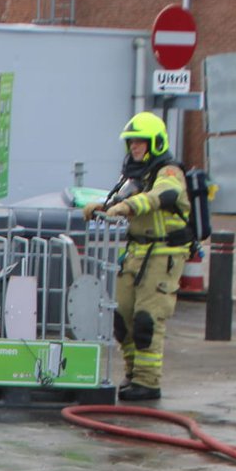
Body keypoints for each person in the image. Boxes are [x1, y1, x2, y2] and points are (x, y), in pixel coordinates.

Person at [82, 112, 191, 403]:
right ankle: (132, 373)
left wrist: (127, 207)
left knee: (146, 319)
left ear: (155, 143)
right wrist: (102, 208)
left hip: (163, 254)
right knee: (122, 316)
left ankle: (147, 381)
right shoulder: (134, 175)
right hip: (134, 253)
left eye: (141, 142)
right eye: (132, 143)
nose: (135, 148)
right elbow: (121, 201)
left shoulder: (168, 172)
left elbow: (161, 196)